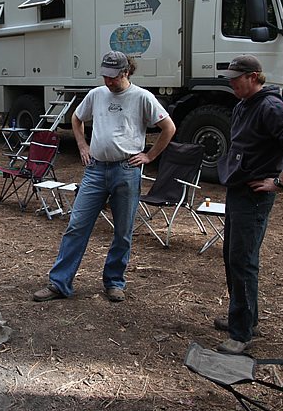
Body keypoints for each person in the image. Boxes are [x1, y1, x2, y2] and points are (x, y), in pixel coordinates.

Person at [33, 51, 176, 303]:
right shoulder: (96, 95)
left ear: (126, 72)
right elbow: (77, 118)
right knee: (77, 225)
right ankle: (59, 283)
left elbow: (169, 128)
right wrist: (82, 146)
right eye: (104, 76)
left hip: (127, 170)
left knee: (122, 231)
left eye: (112, 77)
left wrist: (150, 156)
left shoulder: (142, 97)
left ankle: (114, 281)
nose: (108, 81)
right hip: (96, 170)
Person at [214, 54, 283, 354]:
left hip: (255, 196)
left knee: (243, 261)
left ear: (254, 76)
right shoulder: (245, 104)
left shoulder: (270, 107)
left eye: (236, 79)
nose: (231, 84)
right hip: (238, 190)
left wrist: (280, 181)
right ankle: (246, 318)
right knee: (232, 257)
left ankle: (241, 334)